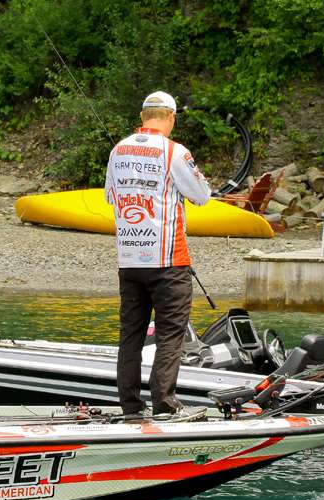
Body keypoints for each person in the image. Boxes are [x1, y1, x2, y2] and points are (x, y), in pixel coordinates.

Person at [105, 91, 211, 416]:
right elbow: (203, 194)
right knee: (170, 333)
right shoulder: (176, 152)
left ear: (142, 116)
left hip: (130, 260)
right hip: (169, 260)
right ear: (171, 117)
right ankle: (165, 403)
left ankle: (130, 405)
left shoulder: (117, 150)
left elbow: (111, 197)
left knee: (131, 335)